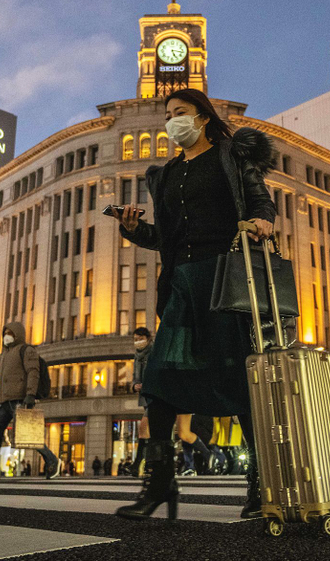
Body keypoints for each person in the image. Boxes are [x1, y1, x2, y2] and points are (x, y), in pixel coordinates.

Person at [112, 88, 276, 521]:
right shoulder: (165, 175)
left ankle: (260, 484)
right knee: (160, 378)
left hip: (224, 279)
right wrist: (132, 230)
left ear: (202, 118)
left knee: (238, 379)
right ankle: (161, 482)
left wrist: (262, 221)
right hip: (182, 285)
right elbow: (164, 239)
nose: (172, 121)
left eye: (180, 113)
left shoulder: (230, 155)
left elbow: (261, 201)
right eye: (168, 115)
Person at [0, 322, 62, 481]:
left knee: (29, 436)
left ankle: (52, 460)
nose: (7, 336)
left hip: (19, 400)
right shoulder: (5, 354)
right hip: (4, 401)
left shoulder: (26, 350)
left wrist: (30, 394)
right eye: (5, 333)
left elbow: (33, 372)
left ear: (17, 334)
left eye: (10, 333)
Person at [130, 327, 152, 477]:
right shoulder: (137, 356)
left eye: (140, 339)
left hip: (155, 395)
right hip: (145, 397)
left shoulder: (154, 351)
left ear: (148, 338)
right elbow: (134, 376)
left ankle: (137, 464)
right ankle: (147, 465)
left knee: (143, 429)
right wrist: (134, 385)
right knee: (150, 433)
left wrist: (148, 384)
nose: (138, 342)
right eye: (135, 339)